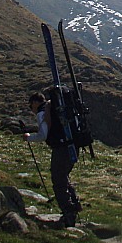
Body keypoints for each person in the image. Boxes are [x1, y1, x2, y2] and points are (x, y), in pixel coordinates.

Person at [24, 90, 82, 227]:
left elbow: (43, 135)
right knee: (64, 176)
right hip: (73, 144)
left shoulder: (42, 112)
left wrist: (29, 138)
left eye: (30, 106)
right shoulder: (56, 108)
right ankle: (75, 205)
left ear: (35, 102)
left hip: (61, 149)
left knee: (58, 180)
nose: (31, 109)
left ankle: (68, 213)